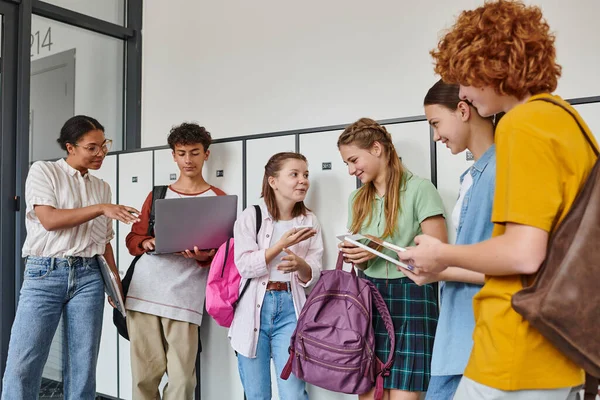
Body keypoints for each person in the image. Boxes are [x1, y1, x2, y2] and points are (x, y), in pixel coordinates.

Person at [397, 1, 599, 399]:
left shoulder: (522, 125)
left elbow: (524, 254)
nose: (466, 93)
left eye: (465, 79)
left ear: (489, 66)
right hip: (560, 352)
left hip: (512, 350)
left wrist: (443, 256)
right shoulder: (570, 123)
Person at [1, 115, 139, 400]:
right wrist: (101, 208)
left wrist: (114, 283)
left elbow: (103, 243)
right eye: (92, 147)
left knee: (83, 365)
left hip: (89, 276)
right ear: (70, 147)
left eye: (104, 145)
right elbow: (49, 219)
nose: (101, 153)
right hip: (44, 273)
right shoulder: (44, 171)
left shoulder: (101, 187)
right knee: (24, 362)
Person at [337, 118, 447, 400]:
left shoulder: (421, 189)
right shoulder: (357, 198)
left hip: (412, 296)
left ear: (376, 148)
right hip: (369, 298)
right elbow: (362, 262)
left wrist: (379, 247)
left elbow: (439, 254)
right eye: (347, 164)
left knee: (404, 394)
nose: (351, 170)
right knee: (369, 393)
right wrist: (356, 255)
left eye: (353, 160)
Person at [409, 79, 496, 400]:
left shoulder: (498, 171)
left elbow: (510, 265)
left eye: (435, 123)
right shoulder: (472, 176)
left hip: (477, 334)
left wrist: (439, 269)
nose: (435, 135)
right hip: (459, 331)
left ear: (463, 110)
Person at [125, 122, 225, 400]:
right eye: (181, 153)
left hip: (186, 299)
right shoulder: (158, 195)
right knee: (144, 379)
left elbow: (224, 254)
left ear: (206, 154)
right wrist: (147, 242)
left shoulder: (217, 199)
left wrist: (205, 257)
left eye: (194, 152)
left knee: (182, 383)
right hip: (144, 293)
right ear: (173, 155)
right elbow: (133, 238)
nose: (188, 160)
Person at [229, 152, 323, 400]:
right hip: (253, 311)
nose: (303, 180)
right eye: (294, 174)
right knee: (257, 394)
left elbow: (314, 272)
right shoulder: (252, 215)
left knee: (294, 393)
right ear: (273, 181)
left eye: (305, 174)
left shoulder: (309, 220)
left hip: (291, 309)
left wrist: (302, 265)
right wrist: (279, 246)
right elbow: (244, 266)